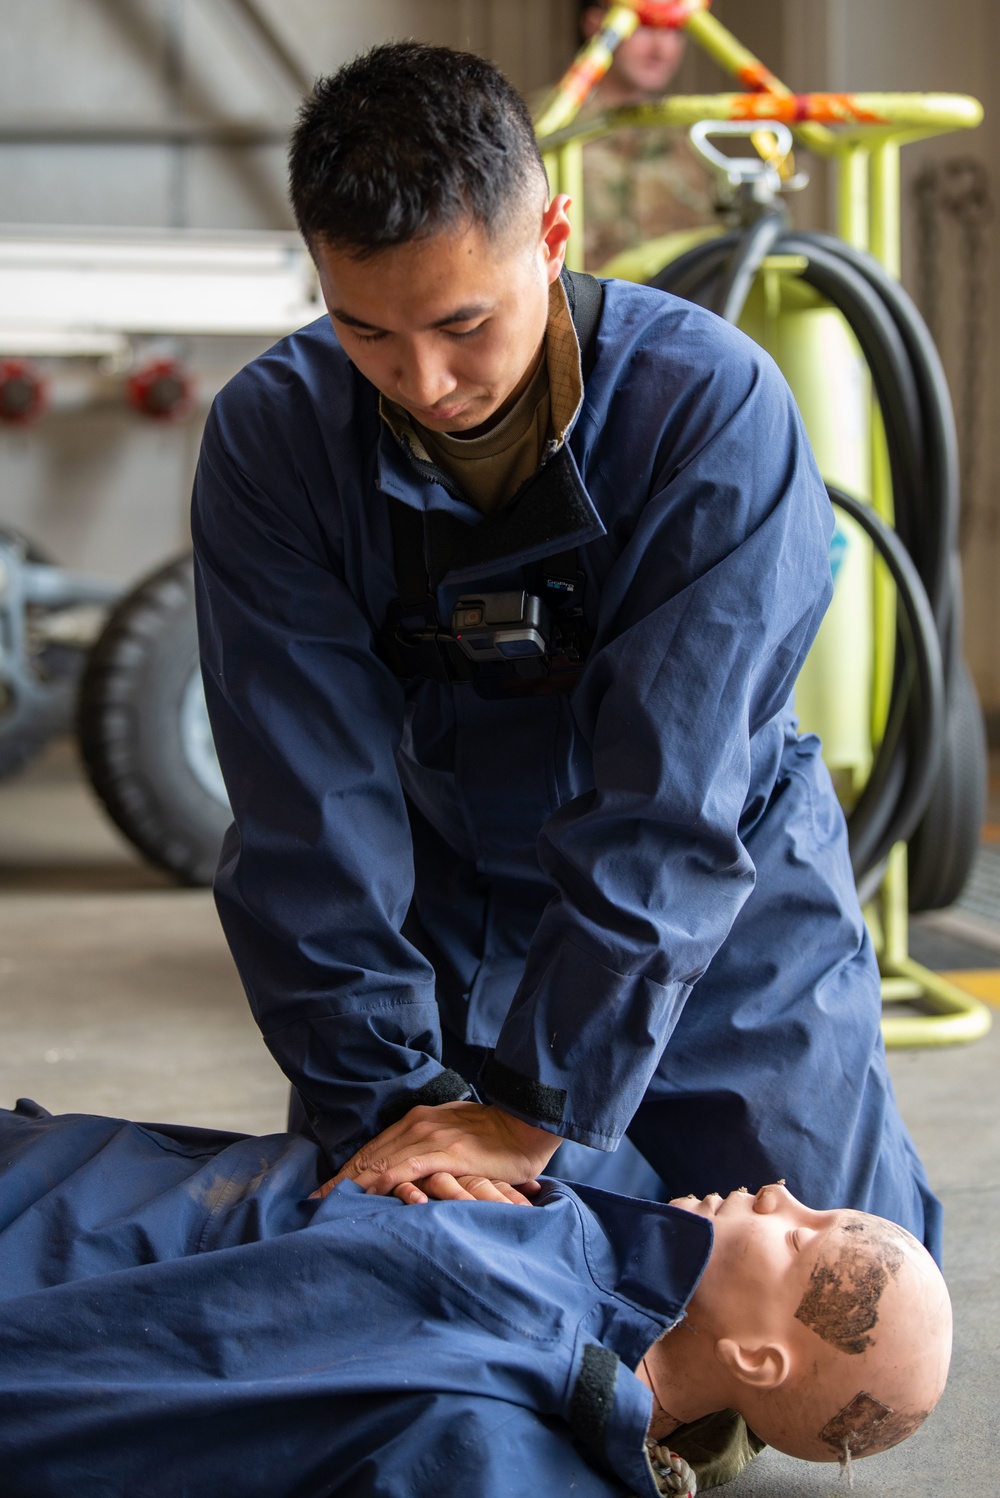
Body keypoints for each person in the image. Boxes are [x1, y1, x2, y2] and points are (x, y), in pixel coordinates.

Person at [192, 41, 942, 1259]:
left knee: (852, 1290)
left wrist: (534, 1105)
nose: (425, 382)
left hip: (712, 899)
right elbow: (306, 816)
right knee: (416, 1263)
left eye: (461, 324)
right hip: (442, 896)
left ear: (550, 232)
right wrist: (400, 1109)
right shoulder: (272, 442)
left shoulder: (709, 411)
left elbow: (670, 802)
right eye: (366, 332)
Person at [0, 1098, 952, 1497]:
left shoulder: (499, 1443)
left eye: (801, 1233)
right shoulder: (612, 1249)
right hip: (94, 1181)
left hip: (68, 1229)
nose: (781, 1192)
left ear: (756, 1359)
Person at [549, 3, 717, 270]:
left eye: (674, 30)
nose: (661, 50)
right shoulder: (547, 127)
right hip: (576, 308)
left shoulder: (695, 139)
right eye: (645, 26)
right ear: (596, 24)